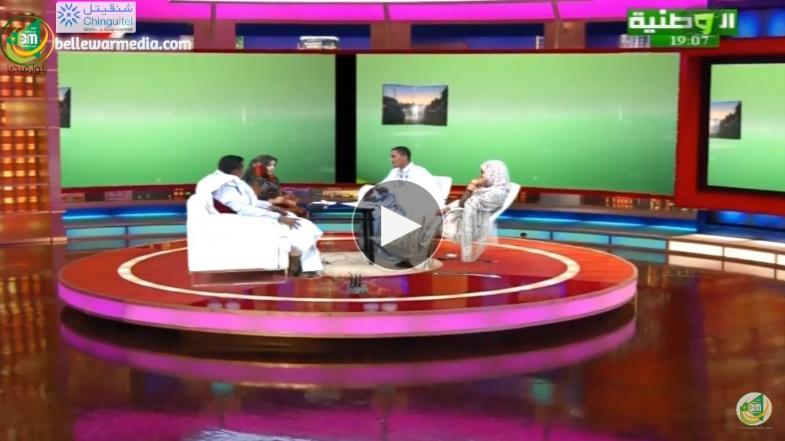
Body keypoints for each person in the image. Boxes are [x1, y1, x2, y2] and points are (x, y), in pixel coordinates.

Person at [196, 155, 323, 277]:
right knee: (299, 225)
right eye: (241, 168)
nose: (243, 170)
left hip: (245, 215)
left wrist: (269, 206)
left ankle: (301, 261)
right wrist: (276, 217)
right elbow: (242, 208)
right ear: (235, 170)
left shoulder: (227, 180)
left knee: (297, 220)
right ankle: (299, 263)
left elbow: (248, 202)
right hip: (238, 220)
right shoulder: (225, 186)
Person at [442, 160, 511, 262]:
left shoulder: (497, 193)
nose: (481, 176)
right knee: (433, 215)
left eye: (483, 172)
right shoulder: (486, 189)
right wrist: (448, 207)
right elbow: (465, 203)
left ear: (493, 173)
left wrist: (471, 185)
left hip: (476, 226)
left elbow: (465, 203)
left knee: (434, 220)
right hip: (467, 219)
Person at [243, 154, 308, 217]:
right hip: (263, 209)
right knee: (297, 211)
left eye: (274, 165)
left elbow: (279, 193)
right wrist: (273, 201)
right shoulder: (252, 181)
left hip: (276, 205)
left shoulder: (272, 178)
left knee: (302, 210)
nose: (273, 168)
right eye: (269, 165)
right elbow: (252, 202)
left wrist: (287, 198)